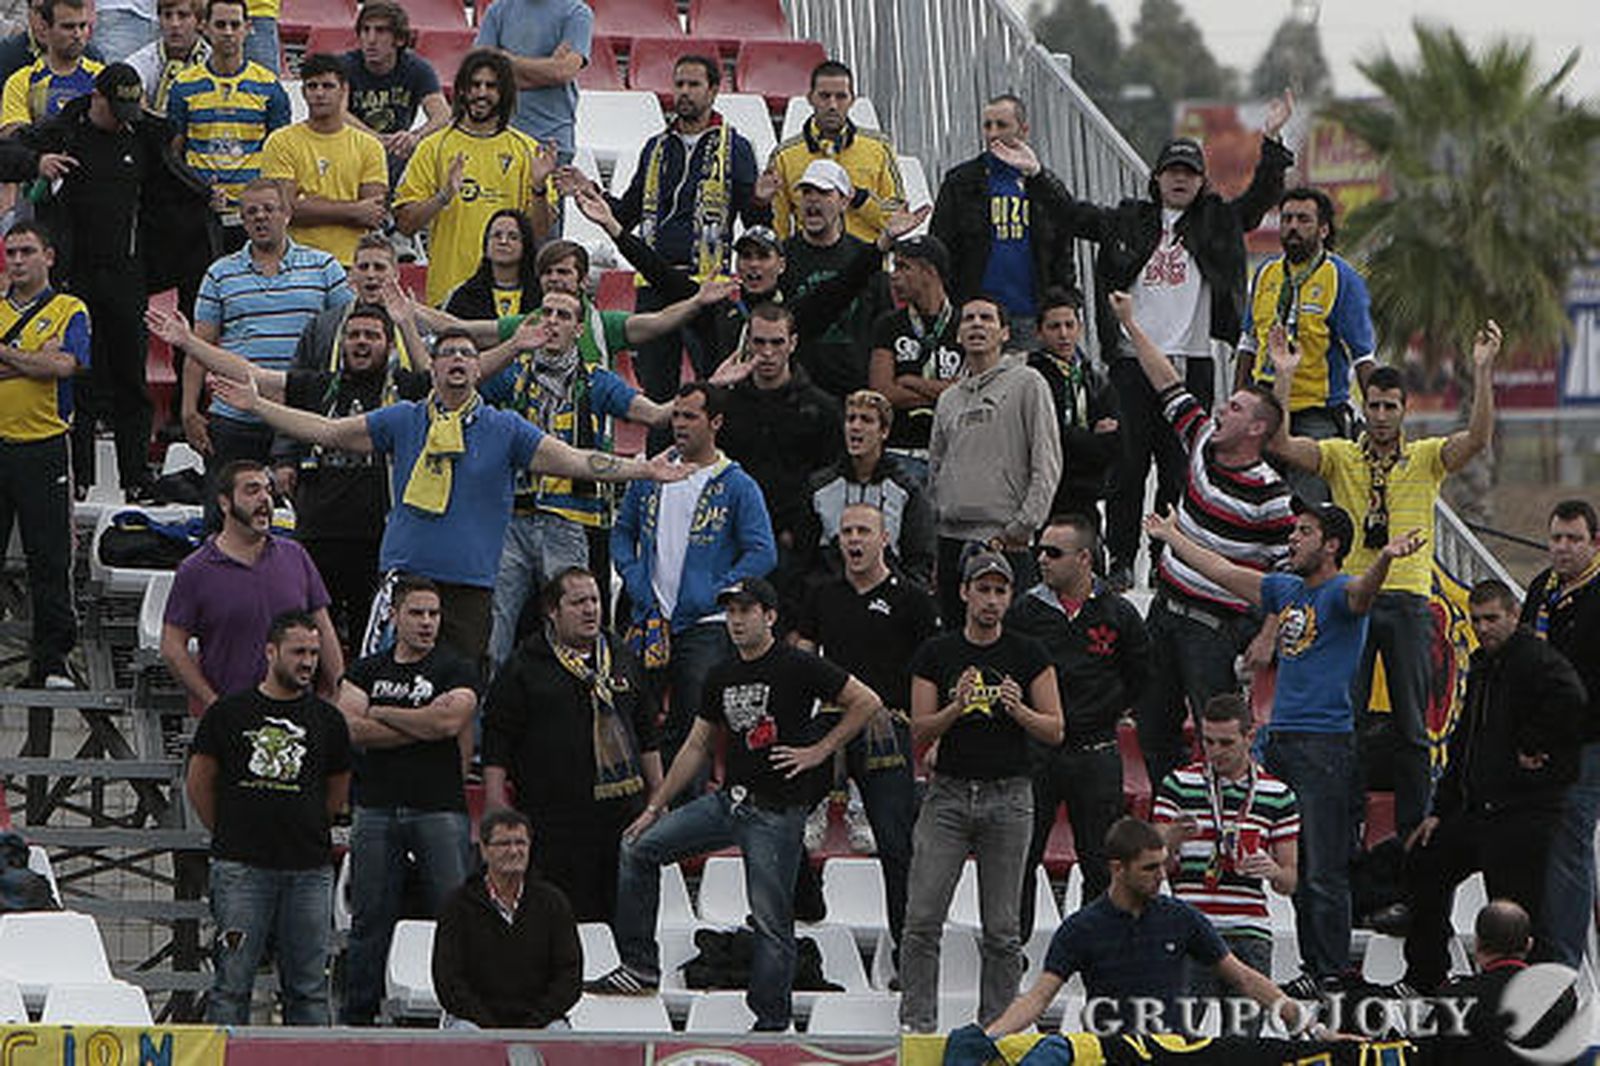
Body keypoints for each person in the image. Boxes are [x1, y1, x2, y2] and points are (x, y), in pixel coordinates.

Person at [206, 329, 690, 668]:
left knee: (463, 689)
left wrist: (642, 469)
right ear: (432, 366)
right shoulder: (403, 418)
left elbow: (578, 460)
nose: (457, 360)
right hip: (405, 573)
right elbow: (330, 431)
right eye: (447, 353)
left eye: (466, 354)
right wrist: (259, 407)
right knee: (388, 680)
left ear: (478, 368)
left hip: (471, 585)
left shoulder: (505, 428)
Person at [1144, 498, 1424, 995]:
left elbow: (1364, 593)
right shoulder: (1285, 589)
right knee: (1291, 860)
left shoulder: (1340, 592)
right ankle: (1314, 970)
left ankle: (1332, 969)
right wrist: (1172, 537)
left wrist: (1386, 558)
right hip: (1280, 742)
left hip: (1326, 745)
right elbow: (1221, 569)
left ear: (1331, 545)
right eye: (1294, 530)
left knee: (1323, 868)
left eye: (1305, 531)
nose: (1293, 538)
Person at [589, 577, 882, 1032]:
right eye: (730, 611)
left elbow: (867, 701)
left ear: (770, 616)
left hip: (776, 811)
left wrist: (820, 750)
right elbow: (696, 746)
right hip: (731, 801)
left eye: (746, 610)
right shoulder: (722, 673)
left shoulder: (798, 664)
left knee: (770, 922)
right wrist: (655, 806)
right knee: (638, 847)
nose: (737, 619)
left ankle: (771, 1021)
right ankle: (641, 966)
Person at [1267, 318, 1503, 843]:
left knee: (1412, 726)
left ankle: (1413, 835)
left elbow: (1480, 437)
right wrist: (1283, 376)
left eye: (1389, 406)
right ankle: (1343, 829)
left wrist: (1483, 372)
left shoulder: (1424, 458)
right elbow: (1281, 443)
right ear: (1362, 406)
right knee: (1343, 719)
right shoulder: (1340, 455)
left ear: (1404, 410)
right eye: (1372, 405)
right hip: (1350, 599)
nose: (1379, 415)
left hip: (1408, 599)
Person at [1065, 94, 1294, 590]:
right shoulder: (1129, 220)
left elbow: (1258, 200)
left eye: (1190, 171)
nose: (1180, 178)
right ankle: (1122, 560)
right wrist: (1036, 172)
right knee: (1127, 467)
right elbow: (1074, 214)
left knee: (1178, 466)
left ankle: (1168, 554)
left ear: (1201, 180)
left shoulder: (1215, 222)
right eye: (1172, 170)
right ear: (1156, 177)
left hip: (1190, 360)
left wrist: (1272, 140)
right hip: (1132, 361)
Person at [149, 299, 430, 651]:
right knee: (303, 643)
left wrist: (406, 324)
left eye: (372, 336)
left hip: (378, 541)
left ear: (389, 347)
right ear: (340, 343)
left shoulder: (405, 392)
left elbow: (437, 380)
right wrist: (189, 342)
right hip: (317, 535)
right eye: (353, 334)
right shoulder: (319, 386)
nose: (361, 341)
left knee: (367, 648)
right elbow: (254, 375)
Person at [1110, 291, 1292, 796]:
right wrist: (1130, 323)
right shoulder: (1201, 439)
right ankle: (1176, 811)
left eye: (1233, 408)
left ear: (1256, 428)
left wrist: (1268, 635)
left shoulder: (1270, 493)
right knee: (1151, 726)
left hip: (1214, 631)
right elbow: (1165, 379)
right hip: (1164, 614)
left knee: (1219, 738)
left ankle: (1227, 819)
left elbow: (1285, 578)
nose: (1221, 410)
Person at [20, 61, 207, 499]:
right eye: (117, 107)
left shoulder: (143, 135)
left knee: (131, 378)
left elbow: (173, 187)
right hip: (73, 274)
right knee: (79, 378)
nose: (125, 117)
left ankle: (136, 475)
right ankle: (79, 475)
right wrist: (37, 161)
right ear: (97, 98)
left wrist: (202, 195)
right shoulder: (64, 129)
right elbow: (6, 153)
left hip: (126, 271)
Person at [899, 551, 1063, 1033]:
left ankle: (996, 1031)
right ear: (965, 592)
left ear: (1010, 598)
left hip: (1009, 794)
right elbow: (919, 732)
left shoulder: (1029, 653)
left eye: (1000, 591)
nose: (991, 600)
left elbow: (1054, 728)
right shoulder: (937, 652)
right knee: (923, 916)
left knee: (1003, 928)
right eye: (984, 589)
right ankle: (918, 1025)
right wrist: (956, 707)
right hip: (948, 793)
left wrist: (1018, 711)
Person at [1401, 580, 1585, 992]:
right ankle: (1425, 977)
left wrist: (1534, 745)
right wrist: (1439, 811)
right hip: (1478, 810)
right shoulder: (1484, 665)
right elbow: (1462, 742)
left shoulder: (1537, 661)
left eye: (1492, 619)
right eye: (1476, 619)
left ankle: (1529, 994)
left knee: (1514, 911)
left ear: (1514, 615)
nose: (1483, 628)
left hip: (1523, 813)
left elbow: (1573, 700)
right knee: (1426, 861)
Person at [478, 288, 674, 670]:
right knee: (493, 637)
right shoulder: (514, 373)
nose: (552, 320)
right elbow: (459, 383)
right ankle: (489, 723)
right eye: (545, 312)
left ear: (578, 329)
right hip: (511, 520)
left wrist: (713, 386)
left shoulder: (597, 380)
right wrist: (512, 347)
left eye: (563, 315)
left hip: (569, 522)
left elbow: (653, 414)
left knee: (573, 636)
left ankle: (578, 719)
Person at [977, 817, 1310, 1039]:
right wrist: (991, 1036)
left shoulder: (1181, 918)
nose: (1161, 875)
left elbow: (1244, 977)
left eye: (1162, 865)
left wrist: (1307, 1023)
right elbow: (1038, 998)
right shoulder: (1081, 929)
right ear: (1117, 868)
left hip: (1169, 1054)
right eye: (1150, 868)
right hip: (1113, 1053)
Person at [569, 52, 772, 403]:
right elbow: (628, 211)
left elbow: (754, 226)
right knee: (656, 391)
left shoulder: (735, 146)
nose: (685, 92)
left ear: (713, 90)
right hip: (653, 284)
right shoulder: (655, 147)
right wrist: (592, 192)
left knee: (712, 389)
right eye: (679, 84)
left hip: (706, 287)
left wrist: (760, 201)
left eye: (694, 84)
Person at [185, 610, 352, 1025]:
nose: (309, 662)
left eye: (314, 653)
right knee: (231, 985)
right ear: (270, 651)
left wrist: (307, 823)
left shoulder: (328, 720)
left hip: (309, 870)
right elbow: (199, 783)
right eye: (298, 652)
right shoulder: (229, 714)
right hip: (241, 869)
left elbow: (337, 789)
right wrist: (228, 832)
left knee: (310, 990)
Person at [793, 502, 938, 960]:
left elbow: (930, 669)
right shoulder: (822, 594)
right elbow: (803, 653)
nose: (853, 540)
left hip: (885, 724)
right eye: (846, 532)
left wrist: (929, 736)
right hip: (832, 716)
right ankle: (804, 898)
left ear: (885, 539)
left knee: (895, 842)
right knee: (778, 811)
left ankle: (908, 951)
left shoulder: (912, 599)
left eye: (863, 531)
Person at [611, 382, 777, 771]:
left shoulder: (736, 483)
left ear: (715, 422)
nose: (679, 424)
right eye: (676, 415)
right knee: (635, 717)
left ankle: (688, 815)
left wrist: (719, 593)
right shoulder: (651, 472)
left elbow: (763, 551)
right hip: (650, 617)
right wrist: (635, 579)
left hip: (704, 624)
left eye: (690, 416)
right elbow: (622, 532)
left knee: (692, 724)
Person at [336, 575, 478, 1026]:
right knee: (369, 919)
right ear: (394, 616)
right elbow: (347, 729)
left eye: (434, 614)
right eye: (416, 613)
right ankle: (358, 1019)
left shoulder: (457, 667)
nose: (427, 622)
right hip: (375, 807)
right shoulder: (364, 670)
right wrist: (421, 721)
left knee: (452, 917)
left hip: (439, 806)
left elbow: (449, 722)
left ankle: (461, 1013)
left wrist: (379, 713)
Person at [483, 567, 660, 924]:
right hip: (555, 821)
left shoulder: (622, 655)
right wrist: (494, 799)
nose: (590, 609)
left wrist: (659, 796)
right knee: (560, 920)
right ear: (553, 610)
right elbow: (497, 739)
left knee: (622, 918)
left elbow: (647, 733)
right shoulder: (525, 664)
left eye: (594, 600)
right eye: (578, 602)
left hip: (622, 816)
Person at [1008, 512, 1149, 932]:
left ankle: (1098, 956)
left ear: (1084, 558)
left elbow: (1142, 676)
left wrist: (1108, 710)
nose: (1043, 560)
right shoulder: (1023, 612)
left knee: (1102, 864)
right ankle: (1011, 962)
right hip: (1036, 754)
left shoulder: (1119, 613)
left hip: (1095, 753)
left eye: (1054, 552)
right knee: (1020, 860)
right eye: (1040, 552)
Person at [181, 179, 351, 481]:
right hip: (234, 418)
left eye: (269, 209)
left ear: (286, 214)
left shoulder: (325, 267)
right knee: (226, 518)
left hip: (302, 416)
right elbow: (198, 348)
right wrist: (189, 411)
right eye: (252, 212)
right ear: (243, 221)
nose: (261, 217)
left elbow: (348, 335)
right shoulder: (218, 274)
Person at [1153, 694, 1298, 1013]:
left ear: (1250, 737)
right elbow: (1152, 867)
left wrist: (1272, 870)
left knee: (1247, 1044)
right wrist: (1172, 839)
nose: (1215, 752)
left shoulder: (1278, 795)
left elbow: (1289, 881)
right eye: (1208, 741)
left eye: (1225, 742)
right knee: (1183, 1044)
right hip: (1190, 928)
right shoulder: (1178, 784)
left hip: (1249, 930)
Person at [161, 460, 344, 713]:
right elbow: (172, 647)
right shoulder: (196, 570)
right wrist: (212, 702)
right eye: (252, 490)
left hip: (296, 715)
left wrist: (335, 692)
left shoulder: (295, 555)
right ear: (224, 503)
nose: (264, 499)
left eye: (268, 490)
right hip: (231, 719)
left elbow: (323, 628)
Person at [927, 295, 1061, 627]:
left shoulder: (1028, 383)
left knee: (1010, 648)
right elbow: (936, 466)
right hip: (950, 541)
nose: (976, 325)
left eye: (986, 319)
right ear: (957, 334)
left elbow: (1047, 461)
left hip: (1004, 539)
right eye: (969, 318)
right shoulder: (947, 399)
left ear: (1004, 333)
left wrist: (1022, 526)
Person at [1235, 187, 1376, 499]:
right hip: (1264, 407)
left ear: (1323, 229)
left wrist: (1378, 419)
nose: (1293, 227)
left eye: (1303, 220)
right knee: (1255, 502)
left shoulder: (1342, 278)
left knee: (1309, 511)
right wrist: (1238, 399)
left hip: (1316, 414)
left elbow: (1363, 357)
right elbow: (1248, 343)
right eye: (1286, 219)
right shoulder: (1265, 274)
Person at [393, 49, 554, 306]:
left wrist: (538, 188)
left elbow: (540, 231)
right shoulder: (433, 147)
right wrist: (442, 197)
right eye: (474, 85)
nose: (481, 92)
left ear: (505, 93)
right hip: (449, 291)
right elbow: (404, 224)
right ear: (462, 91)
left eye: (491, 86)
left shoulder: (527, 150)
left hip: (511, 295)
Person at [0, 220, 88, 689]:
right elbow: (46, 364)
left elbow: (66, 365)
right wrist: (33, 360)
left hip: (44, 445)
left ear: (48, 257)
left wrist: (8, 357)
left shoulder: (69, 308)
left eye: (26, 252)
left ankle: (52, 662)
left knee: (49, 559)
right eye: (11, 253)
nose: (17, 261)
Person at [714, 301, 842, 621]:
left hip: (796, 541)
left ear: (793, 343)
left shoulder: (822, 408)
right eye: (759, 342)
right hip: (734, 538)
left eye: (776, 342)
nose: (767, 352)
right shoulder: (726, 405)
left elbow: (831, 477)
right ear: (747, 344)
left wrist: (799, 529)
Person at [929, 93, 1076, 345]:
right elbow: (940, 247)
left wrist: (1065, 300)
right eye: (987, 126)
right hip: (977, 314)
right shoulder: (961, 182)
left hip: (1033, 316)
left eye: (1002, 125)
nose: (993, 133)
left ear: (1024, 130)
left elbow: (1063, 250)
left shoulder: (1043, 186)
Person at [1524, 500, 1600, 968]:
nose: (1563, 548)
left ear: (1595, 543)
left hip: (1587, 740)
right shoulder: (1541, 589)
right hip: (1542, 742)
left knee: (1570, 844)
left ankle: (1565, 964)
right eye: (1556, 538)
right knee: (1546, 845)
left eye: (1574, 539)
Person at [432, 807, 581, 1030]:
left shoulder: (553, 903)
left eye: (520, 843)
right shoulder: (457, 905)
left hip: (541, 1023)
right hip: (474, 1023)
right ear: (483, 849)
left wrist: (533, 1025)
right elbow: (448, 979)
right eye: (503, 844)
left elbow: (569, 975)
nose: (514, 851)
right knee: (465, 1034)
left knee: (558, 1034)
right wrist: (490, 1028)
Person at [166, 0, 290, 242]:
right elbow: (174, 154)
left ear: (248, 28)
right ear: (205, 28)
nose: (228, 33)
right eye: (221, 25)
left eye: (235, 25)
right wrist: (197, 189)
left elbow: (280, 156)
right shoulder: (183, 86)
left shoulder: (269, 87)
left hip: (253, 214)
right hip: (200, 210)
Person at [774, 158, 891, 398]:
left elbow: (883, 325)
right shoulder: (782, 257)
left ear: (844, 201)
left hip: (855, 393)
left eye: (824, 193)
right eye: (806, 192)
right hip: (798, 392)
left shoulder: (865, 257)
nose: (813, 200)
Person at [259, 52, 386, 266]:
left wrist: (307, 204)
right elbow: (283, 209)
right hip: (295, 263)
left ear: (344, 90)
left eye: (327, 86)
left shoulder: (369, 146)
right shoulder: (280, 142)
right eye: (312, 86)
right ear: (303, 92)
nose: (319, 93)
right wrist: (352, 210)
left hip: (350, 264)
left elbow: (372, 214)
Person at [808, 388, 934, 590]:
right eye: (851, 419)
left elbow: (919, 558)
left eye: (866, 420)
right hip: (832, 599)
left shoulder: (906, 489)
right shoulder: (819, 488)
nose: (856, 427)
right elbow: (806, 556)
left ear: (884, 431)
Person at [768, 59, 903, 244]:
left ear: (852, 100)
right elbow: (778, 228)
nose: (832, 105)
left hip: (867, 264)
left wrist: (860, 199)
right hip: (811, 266)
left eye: (841, 96)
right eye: (824, 96)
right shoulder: (785, 156)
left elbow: (897, 218)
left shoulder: (878, 147)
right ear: (810, 98)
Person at [865, 233, 962, 476]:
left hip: (956, 453)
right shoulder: (888, 325)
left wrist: (911, 381)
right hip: (900, 451)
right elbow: (882, 393)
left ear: (929, 272)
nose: (894, 276)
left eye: (903, 267)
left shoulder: (966, 324)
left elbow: (970, 393)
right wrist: (943, 392)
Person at [1026, 286, 1119, 520]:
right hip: (1050, 492)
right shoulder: (1032, 378)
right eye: (1054, 327)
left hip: (1089, 489)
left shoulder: (1093, 377)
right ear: (1039, 333)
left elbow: (1114, 439)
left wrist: (1085, 439)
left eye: (1070, 325)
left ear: (1080, 328)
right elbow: (1050, 436)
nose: (1064, 334)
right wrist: (1090, 437)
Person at [340, 0, 447, 183]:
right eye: (366, 30)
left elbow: (443, 115)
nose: (371, 39)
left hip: (397, 151)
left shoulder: (417, 68)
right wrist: (376, 138)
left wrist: (414, 137)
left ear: (399, 39)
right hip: (350, 150)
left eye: (380, 31)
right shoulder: (345, 65)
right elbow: (338, 113)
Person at [471, 0, 587, 161]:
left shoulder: (576, 13)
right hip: (498, 138)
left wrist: (505, 59)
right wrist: (548, 69)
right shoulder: (497, 9)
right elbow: (479, 71)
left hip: (551, 144)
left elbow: (563, 72)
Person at [0, 0, 99, 134]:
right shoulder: (21, 81)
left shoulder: (102, 76)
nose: (77, 35)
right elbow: (12, 136)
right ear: (45, 28)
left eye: (82, 26)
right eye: (68, 27)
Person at [444, 209, 539, 320]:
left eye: (513, 237)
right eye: (497, 235)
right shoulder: (463, 296)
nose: (503, 241)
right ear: (486, 245)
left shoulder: (541, 295)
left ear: (525, 245)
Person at [123, 0, 207, 115]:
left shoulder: (212, 60)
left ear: (200, 23)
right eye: (167, 16)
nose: (174, 24)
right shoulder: (141, 60)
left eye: (182, 16)